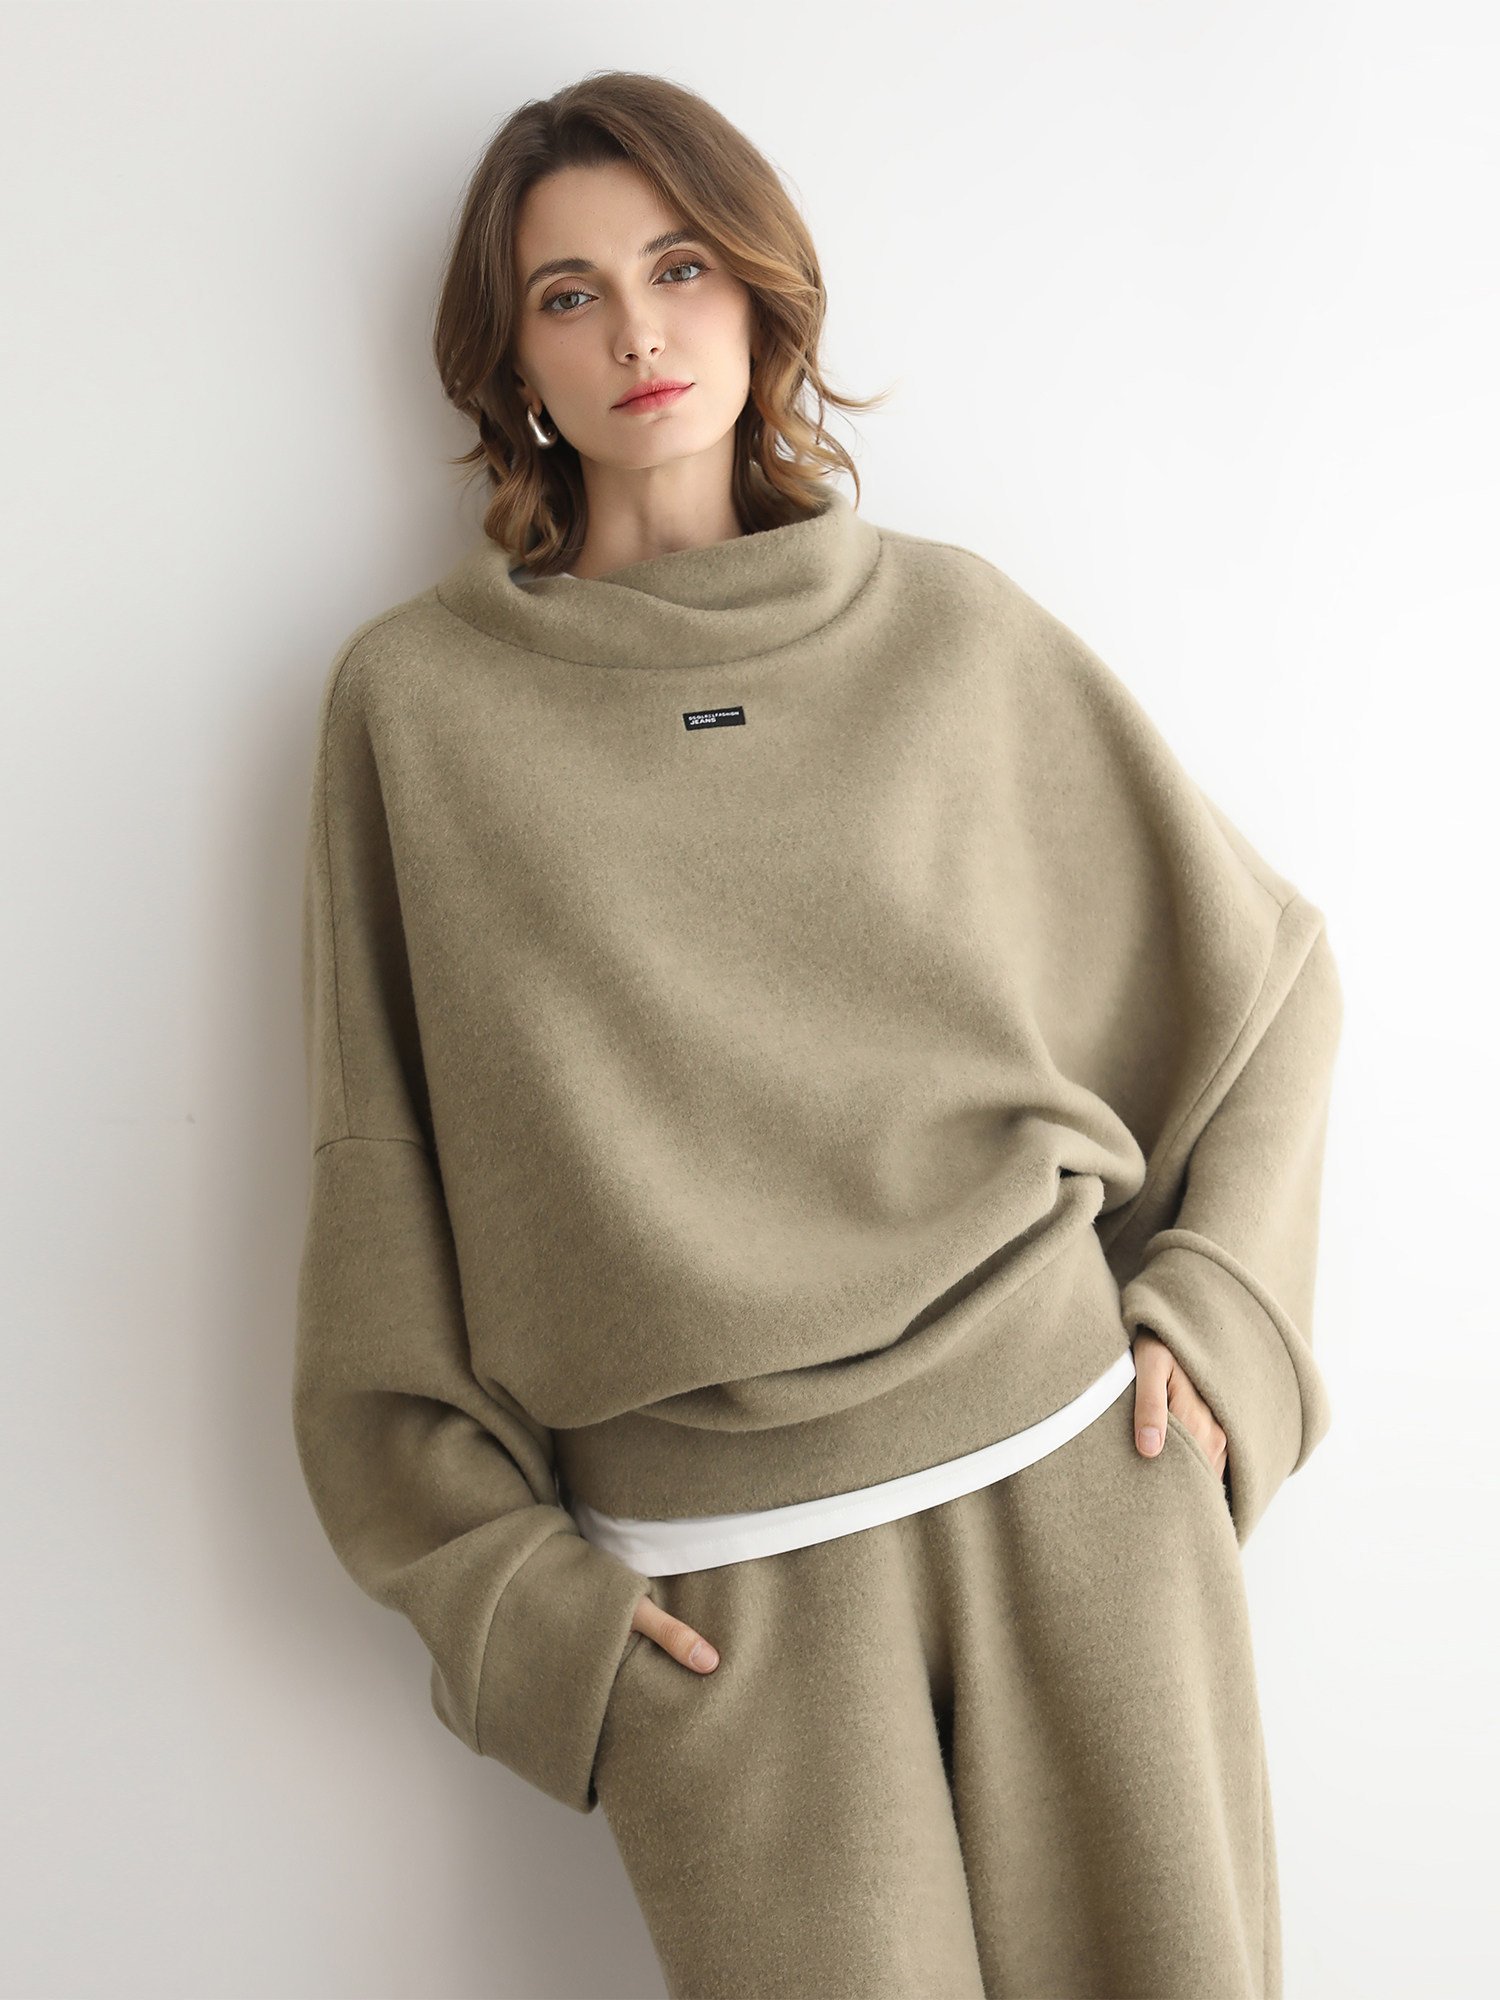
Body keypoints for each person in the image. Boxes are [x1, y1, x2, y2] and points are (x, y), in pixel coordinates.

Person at [291, 70, 1343, 2000]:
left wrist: (1218, 1324)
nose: (638, 331)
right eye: (571, 294)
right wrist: (527, 1612)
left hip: (1080, 1491)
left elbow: (1268, 983)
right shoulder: (419, 711)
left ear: (760, 292)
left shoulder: (955, 633)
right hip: (724, 1599)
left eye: (680, 267)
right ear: (514, 361)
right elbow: (385, 1197)